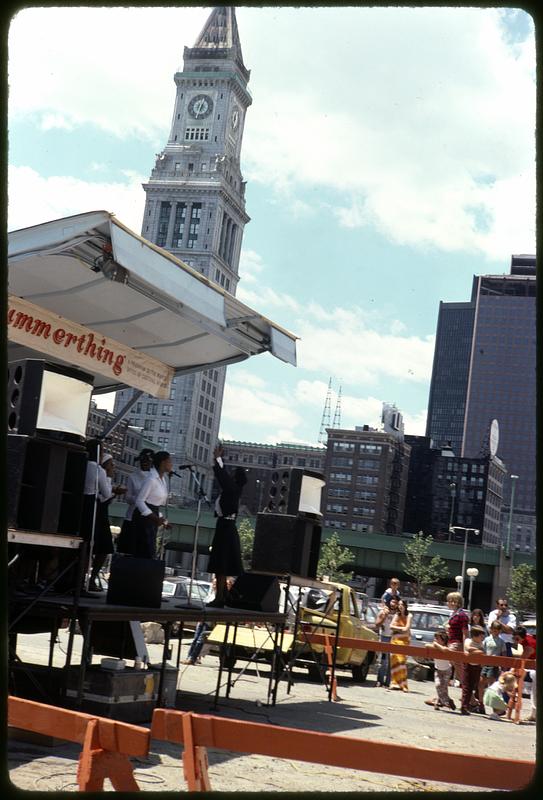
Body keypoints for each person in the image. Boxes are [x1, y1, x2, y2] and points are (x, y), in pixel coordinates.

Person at [81, 442, 126, 591]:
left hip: (87, 508)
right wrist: (114, 490)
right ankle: (89, 580)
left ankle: (84, 580)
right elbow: (105, 495)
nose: (114, 467)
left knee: (88, 546)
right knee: (97, 547)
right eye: (111, 464)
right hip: (95, 512)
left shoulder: (84, 464)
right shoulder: (98, 470)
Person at [207, 444, 246, 608]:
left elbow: (223, 477)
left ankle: (220, 598)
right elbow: (224, 477)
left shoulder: (232, 489)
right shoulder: (233, 489)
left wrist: (218, 459)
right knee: (221, 564)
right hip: (226, 526)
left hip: (225, 527)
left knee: (220, 564)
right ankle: (222, 597)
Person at [129, 451, 172, 558]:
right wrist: (154, 517)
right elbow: (140, 501)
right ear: (162, 463)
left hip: (153, 517)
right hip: (143, 519)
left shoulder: (162, 479)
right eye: (169, 461)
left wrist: (163, 521)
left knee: (150, 551)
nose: (171, 464)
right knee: (144, 551)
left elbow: (155, 503)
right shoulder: (151, 479)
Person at [116, 448, 154, 554]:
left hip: (148, 516)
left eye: (148, 461)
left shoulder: (155, 477)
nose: (145, 463)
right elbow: (128, 498)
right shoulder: (133, 477)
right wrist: (140, 499)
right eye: (143, 461)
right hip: (132, 517)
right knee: (129, 548)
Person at [460, 625, 486, 715]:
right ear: (475, 636)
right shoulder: (468, 641)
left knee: (472, 687)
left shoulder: (481, 644)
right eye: (481, 636)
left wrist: (478, 651)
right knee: (466, 686)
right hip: (468, 665)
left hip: (476, 667)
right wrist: (479, 651)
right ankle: (464, 706)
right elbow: (468, 649)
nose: (482, 638)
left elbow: (482, 652)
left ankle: (469, 705)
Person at [512, 626, 536, 722]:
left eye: (517, 639)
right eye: (514, 638)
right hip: (533, 666)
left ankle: (534, 714)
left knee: (535, 690)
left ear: (522, 637)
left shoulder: (528, 644)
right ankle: (534, 714)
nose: (516, 641)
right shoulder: (525, 641)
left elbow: (523, 658)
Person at [446, 591, 469, 685]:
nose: (450, 603)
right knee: (457, 667)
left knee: (454, 664)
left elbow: (465, 633)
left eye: (453, 601)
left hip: (457, 643)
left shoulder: (462, 615)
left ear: (458, 602)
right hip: (451, 641)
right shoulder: (453, 614)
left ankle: (466, 688)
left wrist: (465, 648)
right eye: (449, 601)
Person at [429, 628, 455, 710]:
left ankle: (440, 702)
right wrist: (435, 645)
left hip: (447, 670)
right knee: (438, 685)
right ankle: (448, 701)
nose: (435, 640)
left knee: (443, 687)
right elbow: (426, 645)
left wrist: (436, 645)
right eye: (435, 638)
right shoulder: (434, 646)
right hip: (438, 669)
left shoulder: (446, 647)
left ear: (443, 641)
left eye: (437, 638)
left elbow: (445, 650)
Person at [375, 596, 399, 687]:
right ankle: (380, 680)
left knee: (392, 661)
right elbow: (377, 624)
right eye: (393, 602)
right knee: (384, 660)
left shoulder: (398, 614)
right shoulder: (383, 612)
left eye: (396, 602)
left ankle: (388, 682)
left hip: (394, 638)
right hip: (385, 637)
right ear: (389, 602)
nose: (394, 604)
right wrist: (384, 616)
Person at [479, 620, 506, 701]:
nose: (495, 632)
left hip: (494, 665)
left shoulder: (501, 641)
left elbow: (504, 654)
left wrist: (503, 666)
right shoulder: (486, 640)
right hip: (485, 663)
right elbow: (483, 650)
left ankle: (491, 702)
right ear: (491, 629)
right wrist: (481, 661)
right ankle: (481, 702)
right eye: (494, 630)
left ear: (500, 631)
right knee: (481, 682)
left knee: (491, 684)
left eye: (497, 630)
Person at [389, 598, 412, 692]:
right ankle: (394, 683)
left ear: (405, 606)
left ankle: (403, 685)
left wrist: (397, 628)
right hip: (394, 640)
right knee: (394, 661)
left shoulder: (409, 615)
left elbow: (407, 628)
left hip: (404, 641)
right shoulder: (396, 615)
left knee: (402, 662)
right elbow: (391, 626)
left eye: (402, 604)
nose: (400, 606)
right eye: (399, 604)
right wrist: (401, 629)